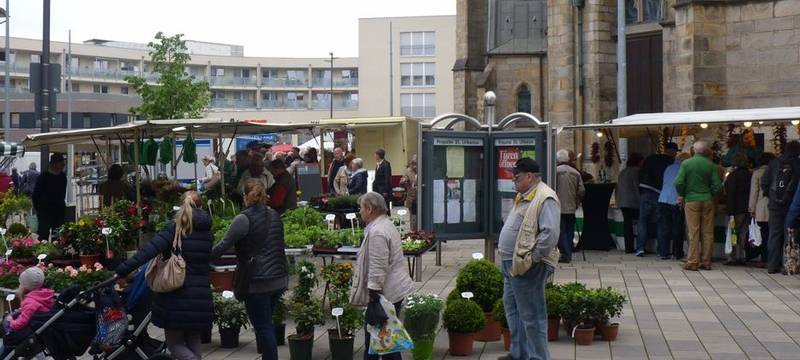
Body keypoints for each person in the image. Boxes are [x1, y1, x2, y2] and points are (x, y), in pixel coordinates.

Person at [115, 191, 213, 360]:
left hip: (176, 295)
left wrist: (123, 269)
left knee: (175, 344)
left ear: (181, 205)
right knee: (193, 339)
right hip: (201, 295)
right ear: (201, 206)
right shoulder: (207, 231)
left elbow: (148, 251)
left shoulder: (175, 228)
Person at [211, 180, 287, 359]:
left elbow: (223, 245)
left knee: (263, 327)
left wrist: (202, 257)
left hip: (258, 281)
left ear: (246, 197)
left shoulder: (243, 219)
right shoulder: (275, 215)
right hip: (279, 278)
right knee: (266, 323)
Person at [498, 158, 559, 360]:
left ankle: (538, 357)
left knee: (532, 316)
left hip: (527, 265)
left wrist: (532, 258)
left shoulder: (545, 197)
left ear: (530, 176)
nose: (513, 181)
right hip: (511, 263)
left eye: (516, 177)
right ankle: (519, 354)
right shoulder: (524, 195)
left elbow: (549, 234)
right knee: (513, 310)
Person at [350, 192, 414, 360]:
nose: (360, 212)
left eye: (361, 208)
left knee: (382, 342)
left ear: (370, 209)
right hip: (392, 290)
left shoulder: (378, 231)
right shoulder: (385, 224)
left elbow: (378, 265)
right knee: (385, 341)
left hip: (384, 294)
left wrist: (372, 292)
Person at [675, 141, 723, 271]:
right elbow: (718, 186)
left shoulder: (686, 163)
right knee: (708, 232)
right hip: (707, 200)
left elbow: (678, 182)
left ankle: (692, 261)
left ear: (693, 150)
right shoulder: (711, 165)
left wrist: (683, 193)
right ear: (705, 151)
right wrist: (710, 193)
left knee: (693, 231)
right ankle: (706, 261)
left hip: (691, 200)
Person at [635, 142, 679, 256]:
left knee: (643, 221)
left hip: (645, 191)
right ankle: (661, 250)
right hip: (659, 194)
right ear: (673, 152)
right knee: (662, 223)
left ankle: (640, 248)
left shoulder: (651, 158)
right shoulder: (670, 162)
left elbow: (640, 173)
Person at [763, 140, 800, 274]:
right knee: (790, 234)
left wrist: (773, 197)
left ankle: (772, 265)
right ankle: (787, 266)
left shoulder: (774, 163)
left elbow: (765, 182)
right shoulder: (798, 164)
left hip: (774, 205)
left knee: (774, 234)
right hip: (792, 205)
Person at [657, 152, 690, 260]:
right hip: (676, 200)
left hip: (662, 198)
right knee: (677, 227)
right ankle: (677, 252)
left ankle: (663, 252)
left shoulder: (668, 167)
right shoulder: (685, 168)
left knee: (664, 227)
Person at [555, 150, 584, 263]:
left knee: (561, 231)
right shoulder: (575, 172)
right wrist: (576, 201)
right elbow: (581, 190)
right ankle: (569, 251)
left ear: (558, 160)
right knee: (569, 230)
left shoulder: (555, 171)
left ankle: (566, 254)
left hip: (557, 206)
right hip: (571, 207)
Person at [724, 153, 752, 266]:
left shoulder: (733, 175)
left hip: (735, 209)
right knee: (743, 234)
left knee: (732, 232)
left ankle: (732, 257)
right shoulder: (750, 175)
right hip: (747, 209)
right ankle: (743, 256)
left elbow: (730, 193)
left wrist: (730, 211)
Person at [748, 152, 775, 267]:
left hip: (761, 207)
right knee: (772, 234)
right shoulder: (776, 172)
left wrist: (751, 208)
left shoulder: (757, 173)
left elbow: (754, 193)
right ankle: (772, 259)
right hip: (774, 206)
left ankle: (763, 259)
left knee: (762, 234)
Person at [32, 154, 67, 241]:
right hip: (45, 211)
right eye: (61, 163)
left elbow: (62, 194)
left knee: (58, 235)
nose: (63, 165)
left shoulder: (63, 177)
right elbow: (35, 195)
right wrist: (39, 209)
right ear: (53, 164)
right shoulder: (43, 177)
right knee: (43, 235)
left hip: (59, 211)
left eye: (63, 163)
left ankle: (57, 253)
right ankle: (42, 252)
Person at [617, 153, 643, 253]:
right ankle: (641, 246)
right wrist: (640, 200)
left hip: (623, 201)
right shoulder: (637, 171)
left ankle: (629, 247)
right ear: (639, 162)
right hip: (633, 201)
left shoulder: (623, 172)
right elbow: (637, 187)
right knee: (640, 223)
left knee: (627, 224)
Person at [399, 156, 419, 229]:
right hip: (411, 198)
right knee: (411, 217)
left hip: (421, 198)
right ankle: (412, 232)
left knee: (421, 217)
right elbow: (402, 182)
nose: (414, 166)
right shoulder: (408, 171)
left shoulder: (423, 170)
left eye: (416, 164)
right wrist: (403, 181)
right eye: (413, 164)